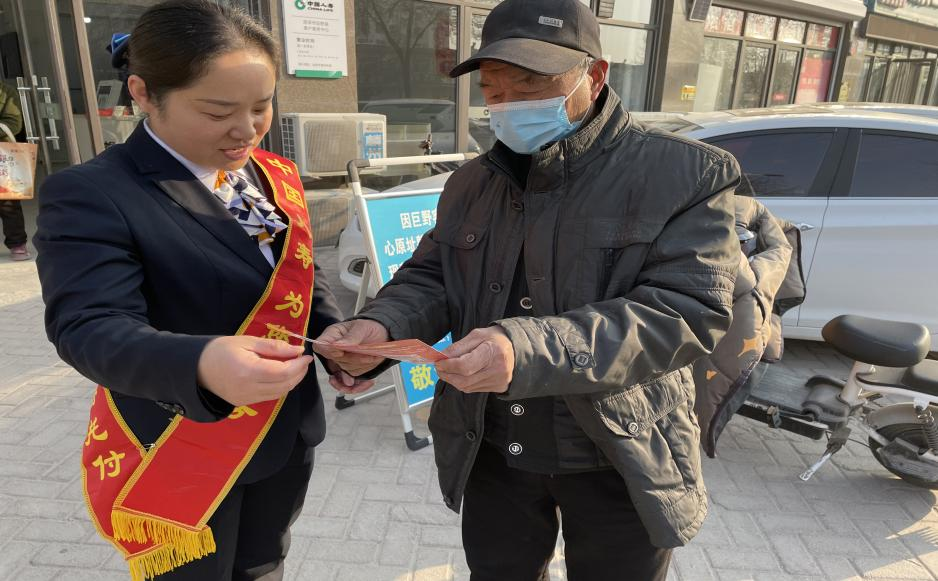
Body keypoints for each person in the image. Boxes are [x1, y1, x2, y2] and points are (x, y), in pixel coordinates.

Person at [315, 0, 742, 579]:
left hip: (619, 447)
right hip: (494, 443)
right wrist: (381, 326)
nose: (509, 104)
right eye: (494, 89)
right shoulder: (471, 182)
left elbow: (687, 310)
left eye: (531, 84)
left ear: (595, 75)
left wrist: (524, 349)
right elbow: (434, 275)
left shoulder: (684, 175)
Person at [35, 1, 368, 579]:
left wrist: (332, 332)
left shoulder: (268, 173)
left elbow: (293, 273)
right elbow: (88, 326)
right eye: (218, 111)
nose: (246, 130)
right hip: (183, 445)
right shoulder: (93, 193)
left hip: (284, 432)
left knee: (265, 565)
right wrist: (202, 363)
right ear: (143, 93)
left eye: (262, 107)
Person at [0, 81, 29, 261]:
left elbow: (14, 123)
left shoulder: (5, 91)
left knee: (8, 203)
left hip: (2, 155)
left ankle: (17, 243)